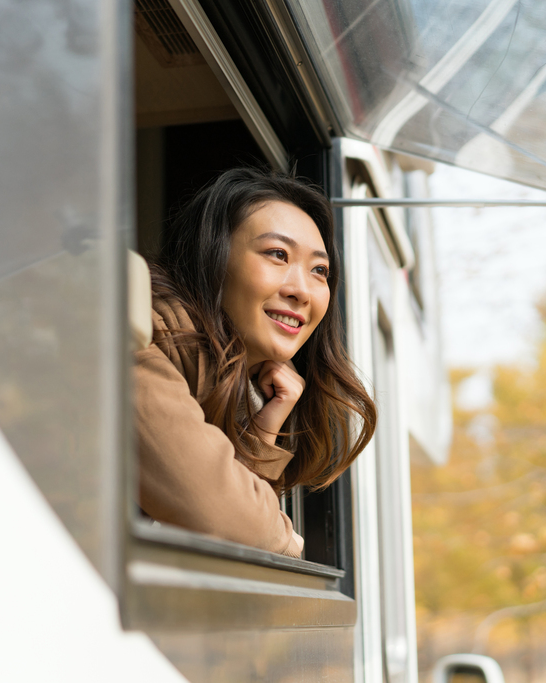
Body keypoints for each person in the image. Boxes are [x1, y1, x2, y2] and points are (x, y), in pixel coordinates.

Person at [135, 167, 377, 558]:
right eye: (277, 254)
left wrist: (263, 431)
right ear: (212, 257)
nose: (301, 290)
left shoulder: (230, 386)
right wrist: (283, 537)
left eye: (319, 270)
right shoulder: (138, 334)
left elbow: (237, 525)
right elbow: (223, 519)